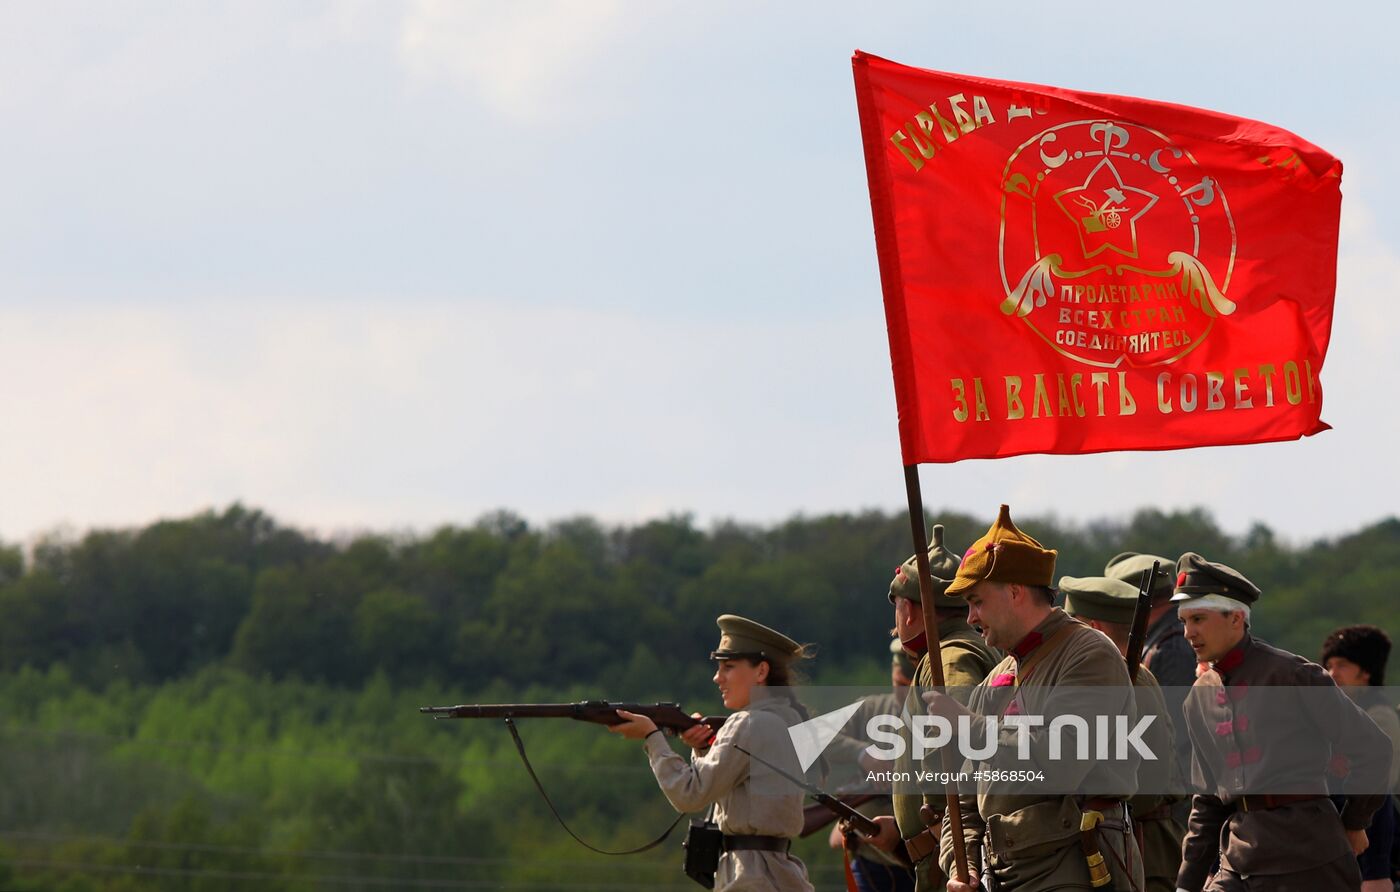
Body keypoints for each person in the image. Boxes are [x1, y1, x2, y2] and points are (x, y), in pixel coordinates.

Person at [928, 505, 1144, 892]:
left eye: (977, 601)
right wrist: (964, 866)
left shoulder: (1088, 653)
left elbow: (1063, 760)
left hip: (1074, 867)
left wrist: (971, 728)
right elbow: (963, 804)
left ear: (1014, 591)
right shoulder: (995, 679)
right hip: (1005, 874)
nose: (972, 617)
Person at [1173, 553, 1393, 892]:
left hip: (1309, 861)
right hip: (1238, 863)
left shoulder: (1293, 676)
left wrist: (1354, 822)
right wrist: (1186, 885)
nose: (1189, 633)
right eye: (1184, 621)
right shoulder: (1198, 696)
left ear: (1235, 619)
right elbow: (1207, 803)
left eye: (1199, 619)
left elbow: (1373, 748)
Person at [608, 614, 816, 891]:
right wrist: (703, 748)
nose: (717, 677)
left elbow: (690, 794)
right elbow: (739, 788)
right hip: (779, 875)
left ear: (761, 672)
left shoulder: (748, 723)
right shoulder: (789, 719)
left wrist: (652, 738)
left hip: (750, 877)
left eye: (728, 667)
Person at [855, 524, 1000, 890]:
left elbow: (963, 736)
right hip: (946, 847)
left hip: (954, 856)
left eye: (898, 608)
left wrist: (938, 829)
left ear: (908, 610)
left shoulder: (946, 658)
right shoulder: (960, 648)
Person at [1060, 574, 1186, 892]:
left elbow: (1146, 790)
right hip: (1124, 843)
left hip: (1142, 849)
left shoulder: (1127, 681)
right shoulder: (1120, 676)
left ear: (1095, 630)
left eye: (1071, 626)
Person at [1322, 624, 1400, 892]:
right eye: (1329, 665)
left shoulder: (1380, 717)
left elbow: (1379, 789)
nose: (1333, 674)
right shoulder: (1337, 716)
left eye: (1342, 665)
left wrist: (1376, 871)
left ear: (1365, 671)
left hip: (1378, 843)